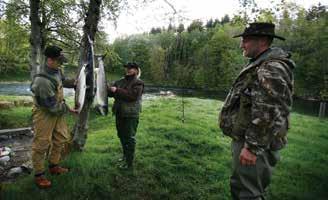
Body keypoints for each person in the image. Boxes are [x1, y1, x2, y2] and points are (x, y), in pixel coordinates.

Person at [219, 22, 295, 199]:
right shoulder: (260, 63)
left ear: (262, 41)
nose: (241, 44)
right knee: (243, 187)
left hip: (256, 144)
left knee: (249, 193)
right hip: (249, 139)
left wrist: (252, 148)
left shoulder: (271, 67)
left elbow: (270, 111)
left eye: (246, 40)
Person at [30, 45, 77, 188]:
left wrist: (76, 82)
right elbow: (51, 107)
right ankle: (39, 175)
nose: (61, 63)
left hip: (57, 111)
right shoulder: (42, 80)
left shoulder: (57, 70)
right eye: (59, 61)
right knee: (41, 144)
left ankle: (54, 166)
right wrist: (68, 109)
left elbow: (63, 81)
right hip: (45, 114)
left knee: (61, 137)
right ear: (49, 60)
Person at [108, 62, 144, 170]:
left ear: (136, 70)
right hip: (119, 113)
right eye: (127, 68)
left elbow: (132, 96)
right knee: (121, 136)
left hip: (131, 115)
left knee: (129, 138)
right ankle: (125, 157)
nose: (128, 70)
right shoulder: (120, 81)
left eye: (131, 68)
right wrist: (107, 87)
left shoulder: (139, 83)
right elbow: (110, 93)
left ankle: (129, 163)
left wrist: (117, 90)